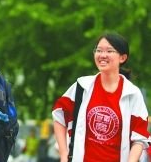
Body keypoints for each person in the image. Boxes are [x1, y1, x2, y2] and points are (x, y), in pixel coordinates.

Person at [52, 32, 150, 162]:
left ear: (122, 57)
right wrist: (64, 154)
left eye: (109, 51)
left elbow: (140, 137)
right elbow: (59, 115)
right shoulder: (82, 86)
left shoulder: (132, 94)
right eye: (98, 50)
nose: (102, 55)